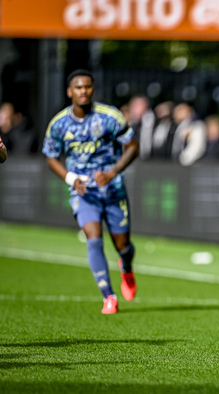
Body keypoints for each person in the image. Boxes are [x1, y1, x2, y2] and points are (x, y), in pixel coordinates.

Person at [43, 69, 140, 314]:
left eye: (87, 87)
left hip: (113, 190)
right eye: (78, 87)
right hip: (84, 192)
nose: (83, 91)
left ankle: (126, 267)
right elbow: (51, 157)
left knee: (123, 246)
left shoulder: (110, 116)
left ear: (92, 89)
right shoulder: (59, 123)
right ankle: (108, 296)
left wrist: (113, 171)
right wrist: (70, 178)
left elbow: (132, 147)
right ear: (69, 92)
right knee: (93, 240)